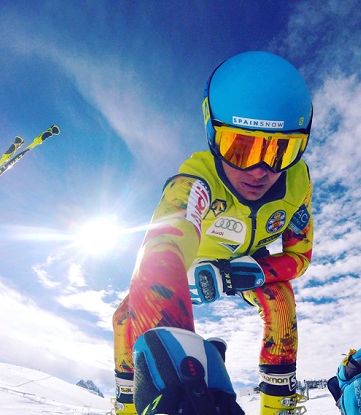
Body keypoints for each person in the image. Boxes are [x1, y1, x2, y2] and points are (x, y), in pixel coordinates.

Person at [112, 51, 314, 415]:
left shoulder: (298, 183)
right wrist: (179, 377)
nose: (260, 170)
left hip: (245, 263)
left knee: (279, 300)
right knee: (126, 317)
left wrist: (242, 273)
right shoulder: (197, 180)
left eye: (281, 150)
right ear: (211, 132)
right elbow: (162, 248)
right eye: (240, 146)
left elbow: (300, 256)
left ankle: (278, 408)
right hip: (191, 265)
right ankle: (133, 407)